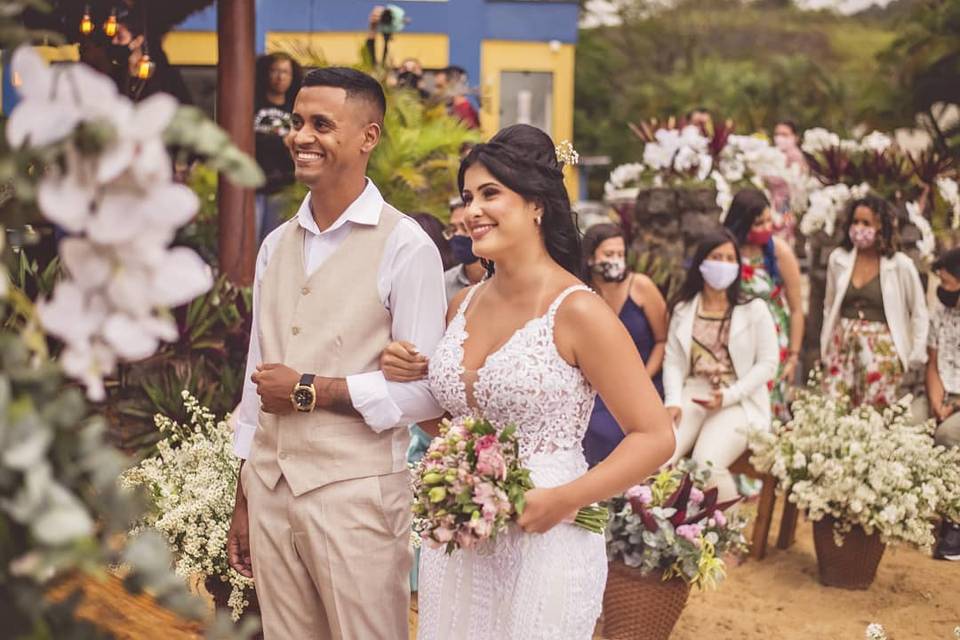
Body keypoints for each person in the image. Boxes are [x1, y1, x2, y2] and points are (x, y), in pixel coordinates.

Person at [379, 124, 675, 639]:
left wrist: (566, 499)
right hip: (463, 542)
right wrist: (408, 374)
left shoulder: (579, 311)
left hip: (549, 537)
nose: (472, 210)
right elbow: (451, 424)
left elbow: (655, 436)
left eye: (490, 194)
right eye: (467, 196)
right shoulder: (462, 305)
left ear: (537, 205)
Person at [226, 67, 447, 640]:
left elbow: (426, 391)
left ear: (368, 137)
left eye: (322, 124)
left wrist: (311, 388)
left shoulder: (406, 246)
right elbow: (256, 382)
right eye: (297, 122)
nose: (302, 136)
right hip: (272, 491)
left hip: (356, 497)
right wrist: (244, 495)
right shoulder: (275, 245)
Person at [663, 229, 779, 502]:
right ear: (701, 263)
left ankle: (726, 534)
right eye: (716, 257)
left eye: (730, 258)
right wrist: (672, 401)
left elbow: (768, 364)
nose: (723, 264)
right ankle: (659, 533)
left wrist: (729, 396)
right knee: (656, 457)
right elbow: (674, 361)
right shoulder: (683, 308)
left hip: (738, 399)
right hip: (693, 394)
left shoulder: (754, 309)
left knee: (706, 466)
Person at [821, 194, 928, 408]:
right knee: (835, 408)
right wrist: (826, 346)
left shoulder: (900, 265)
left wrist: (916, 353)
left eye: (866, 223)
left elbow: (918, 311)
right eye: (855, 222)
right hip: (843, 348)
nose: (859, 228)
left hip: (882, 351)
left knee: (875, 414)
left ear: (881, 227)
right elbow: (829, 305)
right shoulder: (838, 259)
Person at [580, 223, 668, 467]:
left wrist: (643, 376)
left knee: (620, 429)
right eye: (609, 255)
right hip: (601, 384)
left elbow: (662, 339)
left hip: (645, 378)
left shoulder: (641, 286)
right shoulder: (583, 294)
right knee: (590, 426)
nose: (616, 260)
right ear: (590, 258)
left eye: (620, 254)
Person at [723, 189, 804, 420]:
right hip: (738, 336)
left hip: (774, 339)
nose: (767, 228)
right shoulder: (727, 252)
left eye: (769, 220)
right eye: (759, 223)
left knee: (769, 401)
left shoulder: (779, 252)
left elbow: (797, 309)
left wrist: (793, 357)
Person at [912, 247, 960, 561]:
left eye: (947, 277)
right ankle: (903, 511)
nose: (941, 282)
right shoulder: (941, 313)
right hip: (940, 389)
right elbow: (932, 362)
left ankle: (954, 520)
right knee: (909, 425)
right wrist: (935, 398)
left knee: (947, 436)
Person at [254, 52, 303, 245]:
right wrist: (280, 141)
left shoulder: (295, 109)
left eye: (285, 72)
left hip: (283, 185)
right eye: (275, 71)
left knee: (274, 242)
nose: (279, 77)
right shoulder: (252, 103)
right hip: (253, 184)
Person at [443, 197, 486, 302]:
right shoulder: (445, 282)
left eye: (465, 227)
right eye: (453, 228)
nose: (457, 234)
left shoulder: (504, 280)